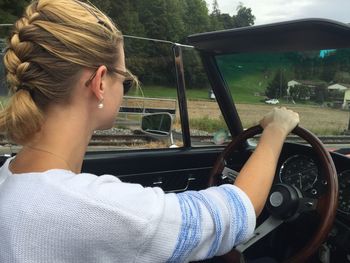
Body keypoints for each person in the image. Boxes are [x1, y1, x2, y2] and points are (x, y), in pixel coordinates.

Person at [0, 0, 299, 262]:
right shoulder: (96, 210)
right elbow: (237, 211)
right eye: (125, 80)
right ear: (100, 82)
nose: (125, 89)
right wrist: (276, 130)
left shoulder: (7, 176)